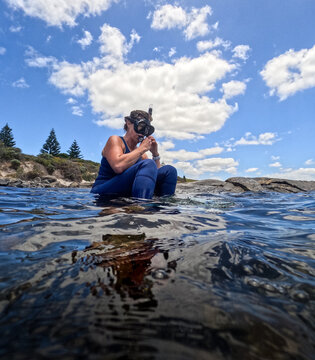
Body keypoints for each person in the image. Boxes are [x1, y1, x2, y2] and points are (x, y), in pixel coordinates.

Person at [91, 109, 177, 199]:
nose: (142, 133)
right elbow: (118, 166)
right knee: (148, 163)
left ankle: (163, 208)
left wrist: (155, 154)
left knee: (170, 171)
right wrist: (142, 148)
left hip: (124, 192)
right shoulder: (116, 140)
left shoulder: (142, 155)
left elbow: (154, 174)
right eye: (140, 126)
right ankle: (141, 208)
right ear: (128, 123)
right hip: (102, 192)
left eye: (146, 130)